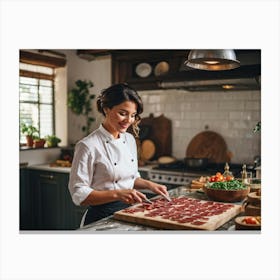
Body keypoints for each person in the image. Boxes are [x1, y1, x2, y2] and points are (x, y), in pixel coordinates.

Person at [68, 83, 170, 227]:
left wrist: (150, 185)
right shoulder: (87, 145)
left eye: (133, 115)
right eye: (123, 113)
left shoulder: (129, 140)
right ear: (106, 109)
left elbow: (130, 178)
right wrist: (117, 194)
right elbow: (79, 194)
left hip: (129, 213)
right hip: (100, 218)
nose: (129, 120)